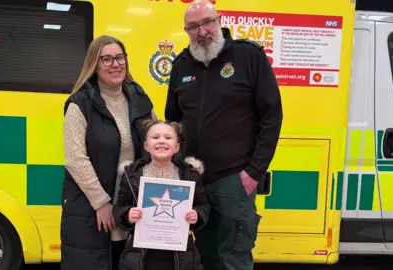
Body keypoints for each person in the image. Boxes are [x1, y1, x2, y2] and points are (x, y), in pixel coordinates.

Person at [164, 0, 283, 269]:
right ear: (186, 31)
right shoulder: (181, 65)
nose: (202, 31)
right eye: (193, 27)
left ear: (220, 20)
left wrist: (253, 173)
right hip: (196, 182)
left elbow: (271, 115)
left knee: (234, 258)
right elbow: (173, 121)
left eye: (207, 22)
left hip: (235, 180)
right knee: (203, 256)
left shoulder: (248, 57)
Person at [61, 35, 157, 270]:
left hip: (133, 209)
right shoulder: (79, 104)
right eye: (107, 59)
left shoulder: (140, 98)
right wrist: (102, 203)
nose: (115, 64)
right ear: (94, 64)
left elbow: (156, 143)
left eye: (119, 57)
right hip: (92, 209)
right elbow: (75, 159)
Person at [112, 119, 210, 270]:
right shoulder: (132, 175)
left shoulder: (190, 175)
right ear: (146, 146)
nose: (162, 141)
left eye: (168, 138)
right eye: (155, 137)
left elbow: (203, 204)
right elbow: (120, 206)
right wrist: (127, 215)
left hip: (180, 256)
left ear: (177, 147)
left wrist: (197, 215)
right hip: (141, 256)